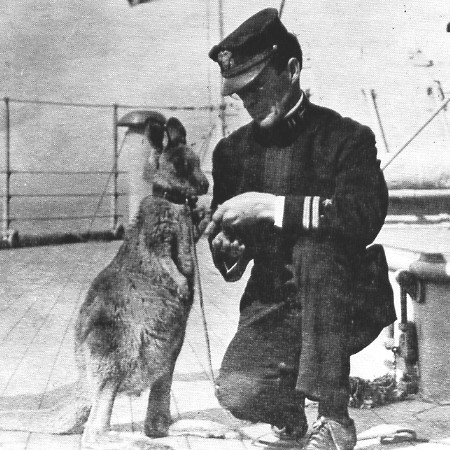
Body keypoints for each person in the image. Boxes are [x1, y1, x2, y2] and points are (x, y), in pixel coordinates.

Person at [206, 8, 396, 450]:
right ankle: (292, 422)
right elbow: (228, 255)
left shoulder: (346, 137)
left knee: (315, 249)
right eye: (241, 94)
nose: (249, 101)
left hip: (345, 299)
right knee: (237, 389)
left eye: (257, 86)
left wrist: (270, 207)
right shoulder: (231, 154)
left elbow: (362, 217)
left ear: (291, 70)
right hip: (276, 304)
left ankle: (335, 420)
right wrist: (226, 245)